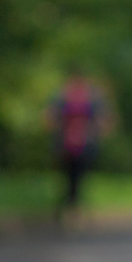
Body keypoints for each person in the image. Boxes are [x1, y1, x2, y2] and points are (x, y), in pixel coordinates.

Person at [48, 70, 108, 217]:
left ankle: (71, 204)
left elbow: (50, 118)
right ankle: (71, 204)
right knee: (73, 177)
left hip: (79, 144)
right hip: (71, 144)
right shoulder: (66, 97)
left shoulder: (66, 97)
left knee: (74, 177)